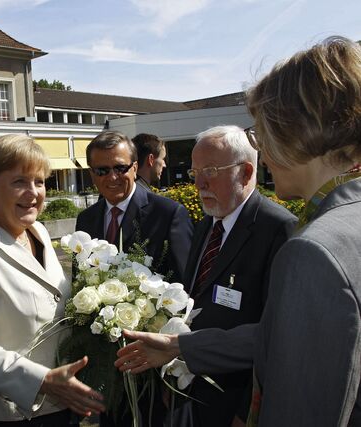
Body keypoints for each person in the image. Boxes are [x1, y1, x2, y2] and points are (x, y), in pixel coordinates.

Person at [116, 36, 361, 426]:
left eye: (262, 129)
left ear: (295, 130)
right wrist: (181, 346)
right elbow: (276, 334)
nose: (259, 144)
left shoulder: (314, 248)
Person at [0, 134, 105, 426]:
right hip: (9, 414)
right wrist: (43, 380)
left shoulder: (38, 231)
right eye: (19, 182)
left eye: (39, 182)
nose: (33, 193)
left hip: (60, 405)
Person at [175, 125, 297, 426]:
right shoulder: (206, 224)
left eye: (211, 170)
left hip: (236, 403)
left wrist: (248, 412)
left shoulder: (278, 229)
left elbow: (275, 335)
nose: (199, 183)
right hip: (191, 393)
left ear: (245, 172)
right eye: (195, 172)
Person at [76, 130, 193, 283]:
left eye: (120, 168)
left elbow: (185, 283)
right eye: (102, 170)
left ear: (135, 168)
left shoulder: (168, 215)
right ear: (92, 174)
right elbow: (78, 279)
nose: (112, 177)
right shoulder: (85, 220)